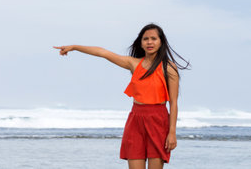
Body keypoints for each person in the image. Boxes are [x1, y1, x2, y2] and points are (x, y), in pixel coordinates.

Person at [53, 23, 190, 169]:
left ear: (161, 41)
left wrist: (172, 133)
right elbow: (103, 53)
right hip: (136, 121)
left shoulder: (168, 68)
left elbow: (174, 103)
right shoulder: (133, 63)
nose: (149, 42)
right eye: (145, 39)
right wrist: (74, 47)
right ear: (141, 43)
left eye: (154, 38)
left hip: (158, 121)